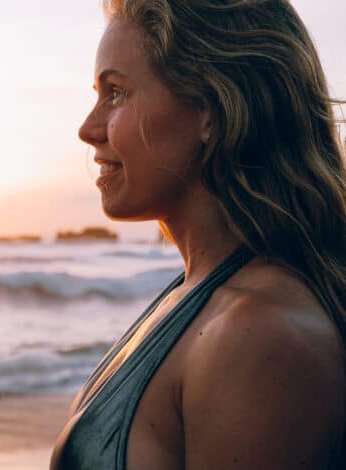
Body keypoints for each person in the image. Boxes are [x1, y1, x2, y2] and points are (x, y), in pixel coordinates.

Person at [51, 0, 346, 469]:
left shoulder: (261, 338)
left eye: (116, 92)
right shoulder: (196, 295)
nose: (88, 129)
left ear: (208, 110)